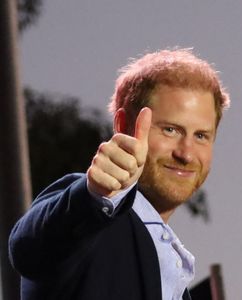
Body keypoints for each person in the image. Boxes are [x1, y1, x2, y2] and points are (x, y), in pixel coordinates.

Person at [9, 48, 230, 300]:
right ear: (123, 126)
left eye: (201, 136)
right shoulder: (93, 217)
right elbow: (29, 250)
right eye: (170, 130)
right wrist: (95, 196)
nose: (187, 154)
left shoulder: (171, 269)